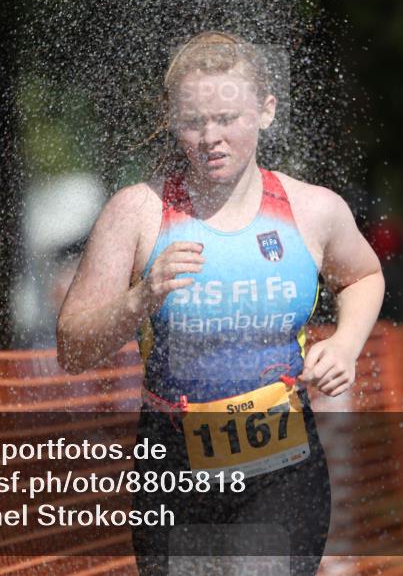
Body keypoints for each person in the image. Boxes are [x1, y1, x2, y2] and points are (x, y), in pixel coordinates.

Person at [57, 31, 384, 575]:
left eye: (227, 118)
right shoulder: (137, 213)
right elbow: (72, 347)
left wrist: (347, 345)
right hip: (172, 466)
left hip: (284, 463)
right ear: (171, 119)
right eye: (193, 121)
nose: (211, 137)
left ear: (266, 111)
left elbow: (364, 275)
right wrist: (140, 299)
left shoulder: (312, 210)